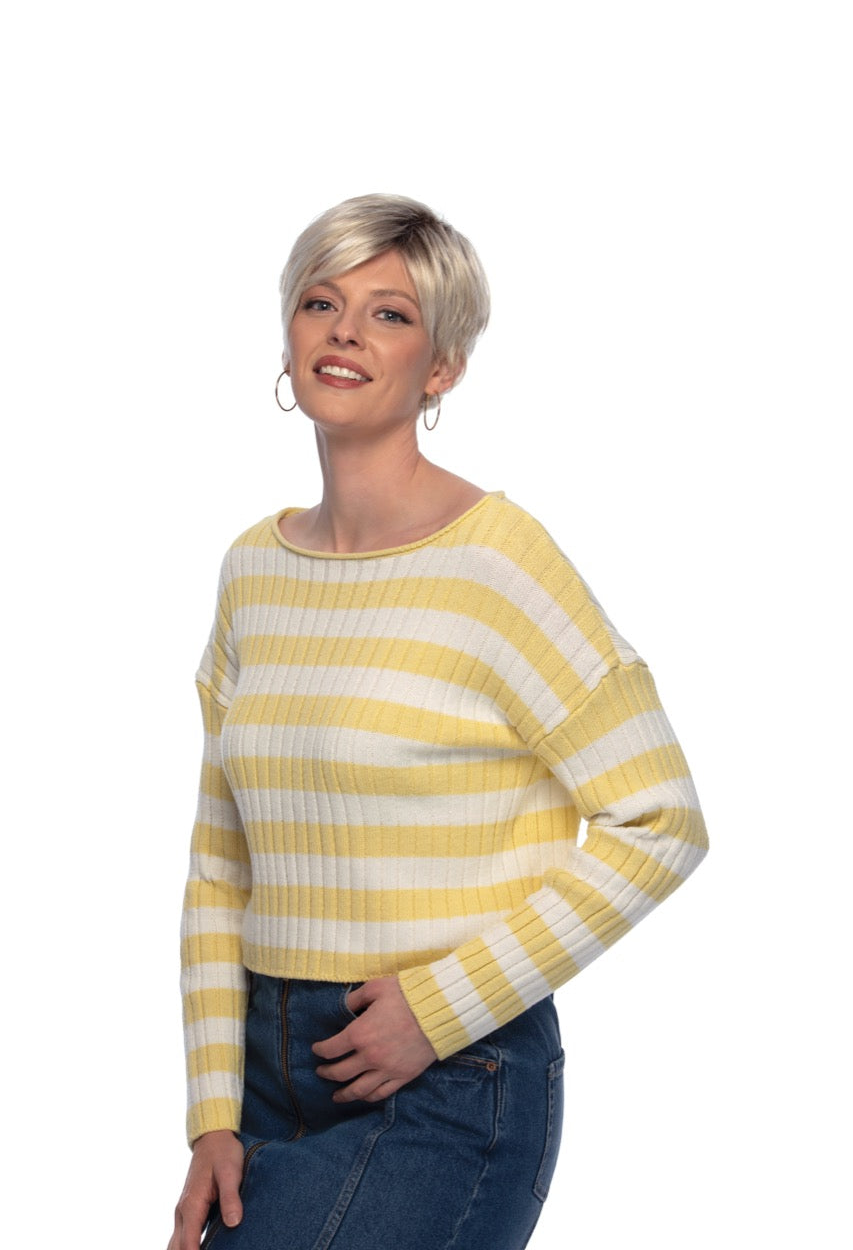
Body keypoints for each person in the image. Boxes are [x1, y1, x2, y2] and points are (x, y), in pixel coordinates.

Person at [169, 194, 709, 1250]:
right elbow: (220, 864)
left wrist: (444, 1005)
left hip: (452, 1076)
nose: (345, 332)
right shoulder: (251, 571)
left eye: (389, 314)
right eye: (321, 303)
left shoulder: (498, 561)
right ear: (288, 334)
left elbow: (663, 820)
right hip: (264, 1072)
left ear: (443, 367)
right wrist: (212, 1113)